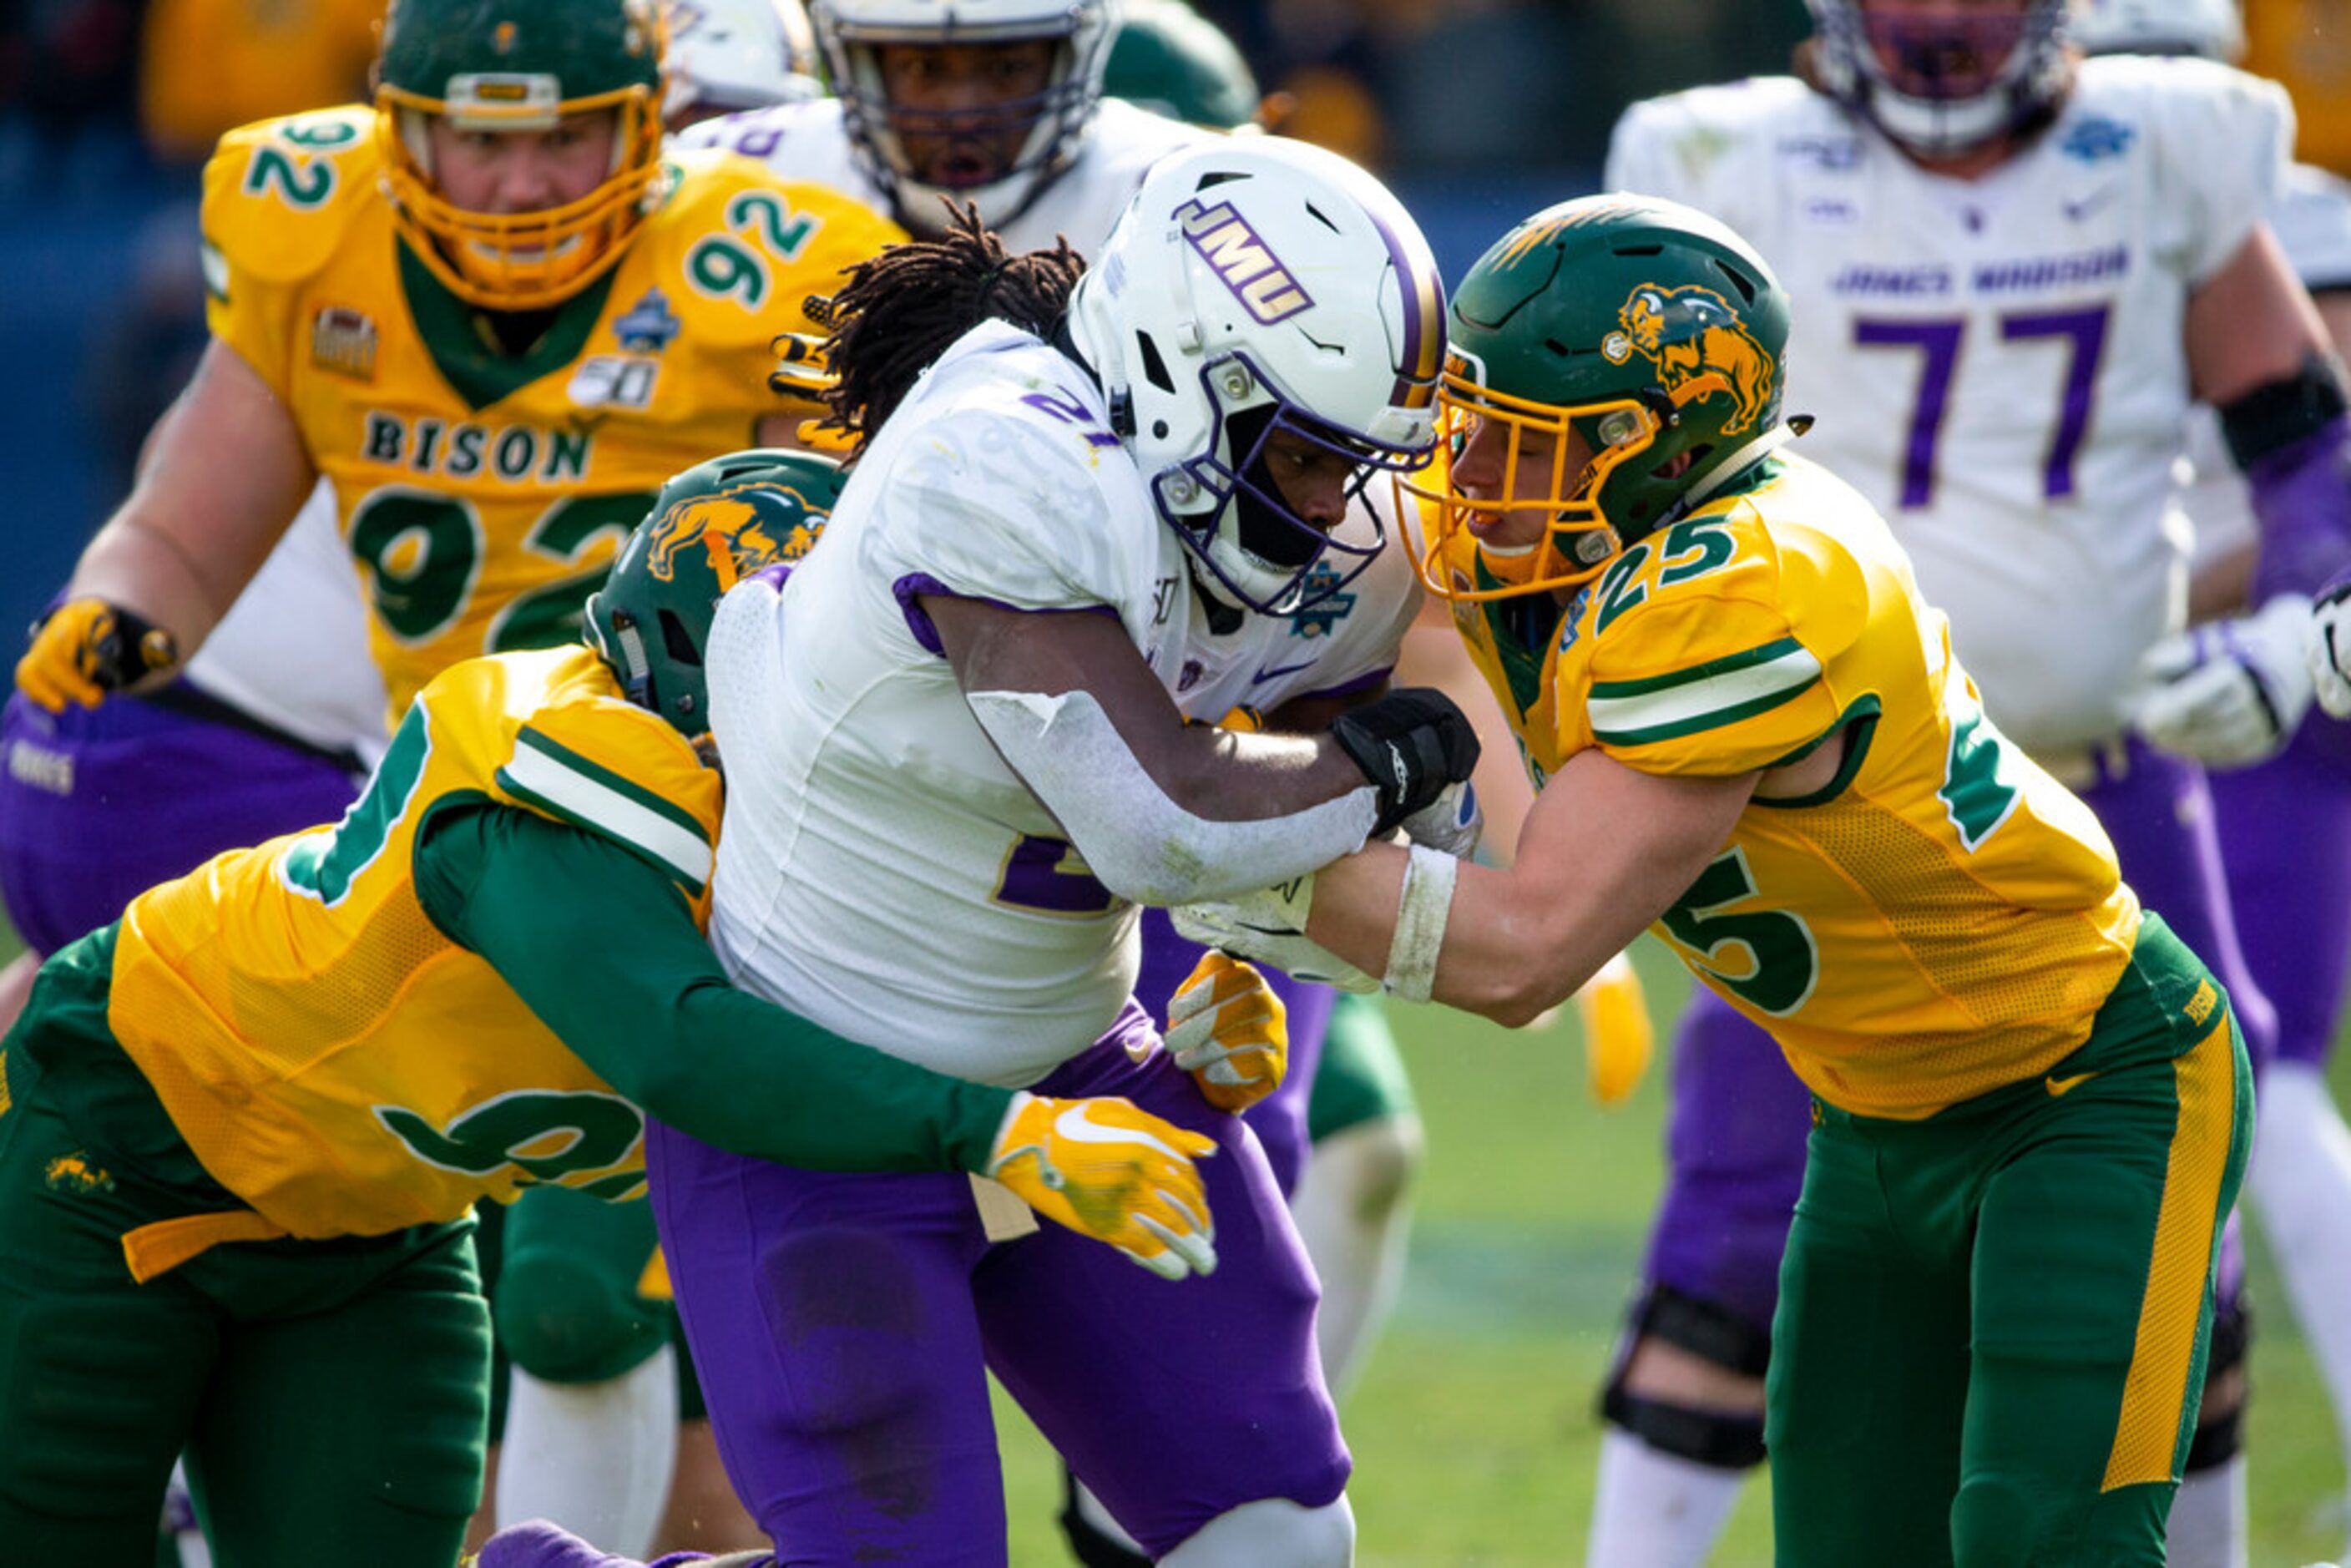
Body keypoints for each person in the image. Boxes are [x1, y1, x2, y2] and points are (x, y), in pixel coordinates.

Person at [1184, 192, 2254, 1567]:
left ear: (1650, 444)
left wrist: (1187, 848)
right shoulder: (1575, 539)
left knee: (2040, 1540)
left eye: (1520, 441)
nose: (1472, 470)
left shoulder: (1747, 582)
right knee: (1851, 1542)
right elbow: (1449, 655)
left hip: (2093, 1081)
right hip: (1874, 1117)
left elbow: (1525, 947)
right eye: (1471, 424)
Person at [488, 134, 1470, 1568]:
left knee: (1277, 1535)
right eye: (1308, 458)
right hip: (822, 1095)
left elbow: (1324, 811)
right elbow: (1166, 815)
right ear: (1183, 371)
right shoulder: (1006, 455)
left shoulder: (1270, 499)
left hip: (1078, 1058)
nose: (1331, 508)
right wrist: (1375, 776)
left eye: (1349, 462)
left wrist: (1288, 929)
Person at [0, 453, 1231, 1565]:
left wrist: (1164, 1066)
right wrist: (1002, 1128)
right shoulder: (560, 769)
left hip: (373, 1230)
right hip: (124, 1146)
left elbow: (883, 1108)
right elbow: (681, 1041)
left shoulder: (809, 861)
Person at [1572, 3, 2351, 1559]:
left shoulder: (2165, 142)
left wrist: (2298, 628)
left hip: (2104, 779)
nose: (1939, 25)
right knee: (1733, 1239)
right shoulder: (1720, 158)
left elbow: (2309, 450)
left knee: (2170, 1253)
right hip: (1821, 800)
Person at [680, 0, 1213, 250]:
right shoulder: (745, 170)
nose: (964, 110)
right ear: (861, 64)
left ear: (1071, 56)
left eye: (1007, 67)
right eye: (923, 67)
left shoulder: (1170, 190)